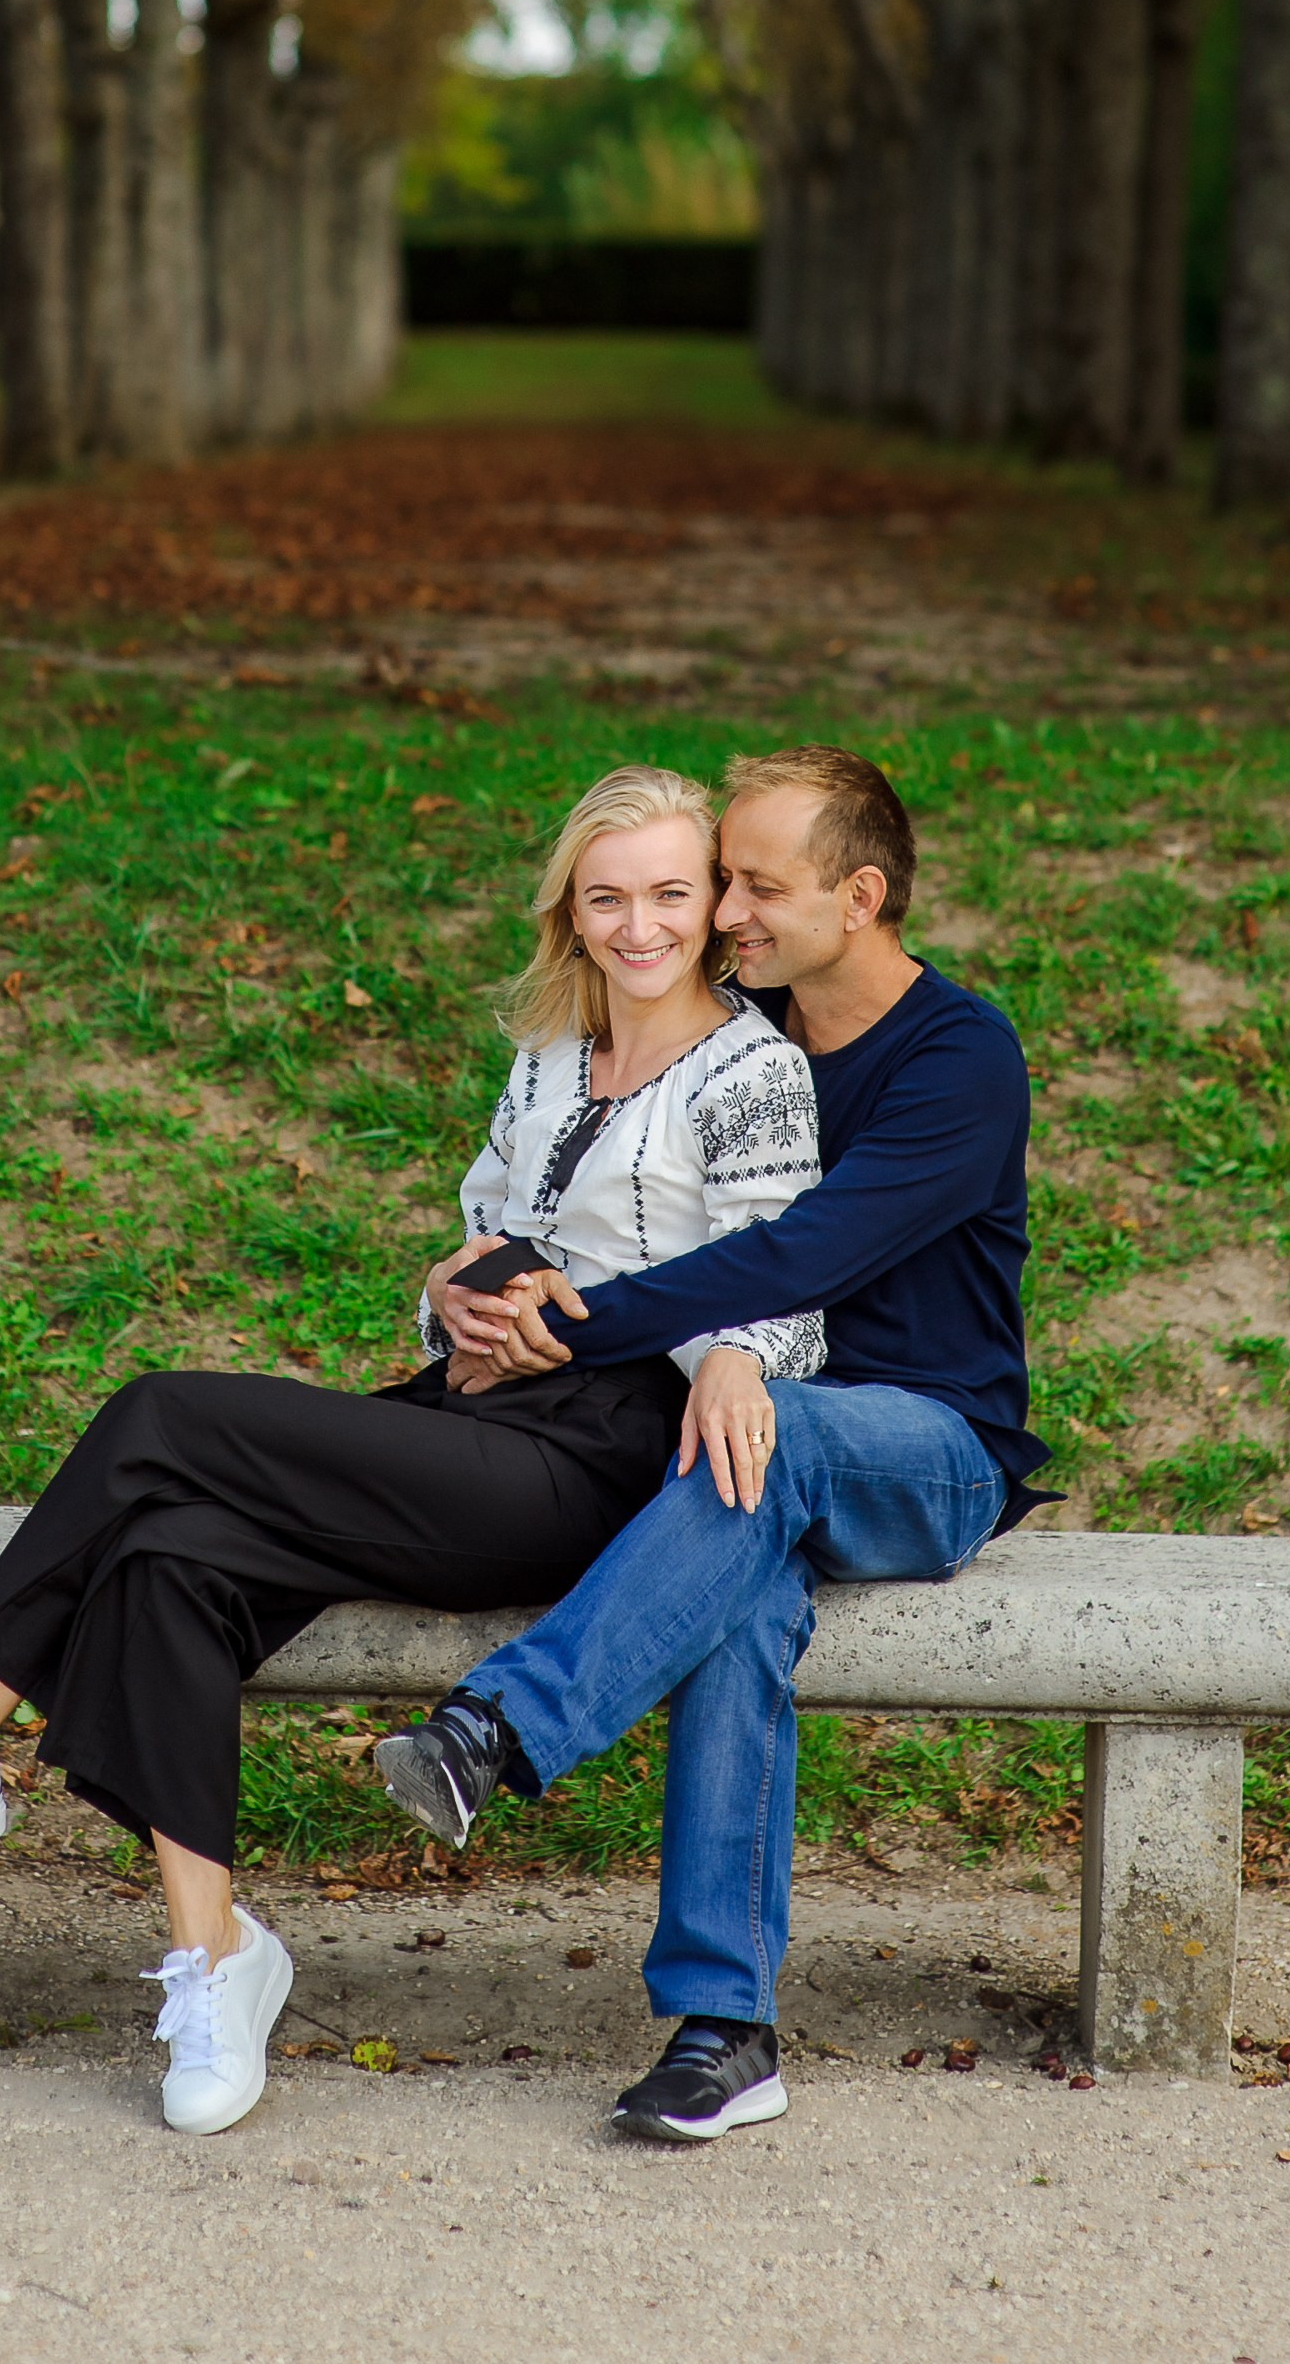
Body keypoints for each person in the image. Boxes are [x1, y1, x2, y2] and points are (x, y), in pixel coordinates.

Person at [0, 763, 826, 2134]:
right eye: (606, 897)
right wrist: (451, 1307)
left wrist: (659, 1341)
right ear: (568, 910)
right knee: (164, 1556)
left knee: (163, 1414)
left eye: (671, 893)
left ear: (710, 901)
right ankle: (214, 1959)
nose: (640, 926)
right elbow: (483, 1232)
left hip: (600, 1463)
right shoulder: (549, 1055)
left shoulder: (752, 1070)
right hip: (470, 1420)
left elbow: (784, 1290)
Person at [373, 743, 1048, 2146]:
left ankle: (500, 1728)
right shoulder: (750, 1040)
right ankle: (723, 2031)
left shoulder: (957, 1057)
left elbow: (807, 1249)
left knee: (774, 1442)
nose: (725, 913)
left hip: (926, 1446)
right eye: (724, 880)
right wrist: (480, 1291)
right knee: (735, 1615)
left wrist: (591, 1326)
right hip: (732, 1445)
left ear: (859, 896)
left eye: (755, 885)